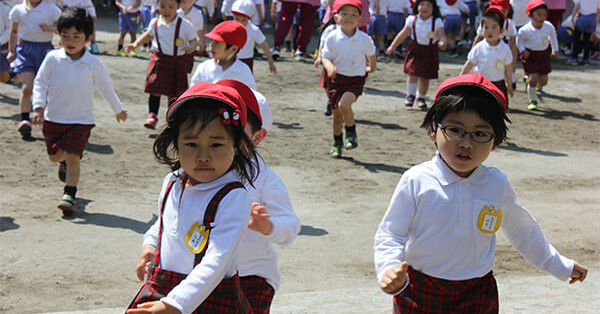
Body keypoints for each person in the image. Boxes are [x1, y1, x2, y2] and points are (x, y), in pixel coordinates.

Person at [374, 73, 588, 313]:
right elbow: (390, 234)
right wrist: (389, 269)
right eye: (455, 130)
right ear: (433, 130)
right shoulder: (416, 180)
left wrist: (561, 266)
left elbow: (524, 232)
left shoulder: (496, 184)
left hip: (476, 291)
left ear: (494, 142)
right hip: (419, 290)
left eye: (480, 134)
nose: (466, 143)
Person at [127, 81, 259, 314]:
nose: (203, 156)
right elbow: (164, 222)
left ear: (236, 145)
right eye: (191, 143)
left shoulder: (233, 197)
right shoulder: (172, 183)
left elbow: (217, 260)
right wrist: (150, 244)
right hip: (162, 287)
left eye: (216, 144)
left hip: (211, 296)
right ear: (176, 146)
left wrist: (175, 304)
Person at [31, 7, 128, 215]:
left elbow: (106, 88)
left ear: (88, 37)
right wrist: (38, 107)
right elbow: (40, 82)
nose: (70, 41)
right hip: (53, 118)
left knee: (74, 156)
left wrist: (118, 110)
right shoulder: (52, 58)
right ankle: (63, 165)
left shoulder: (93, 63)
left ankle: (69, 194)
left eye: (76, 36)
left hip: (81, 120)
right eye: (65, 36)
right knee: (54, 156)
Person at [218, 79, 300, 314]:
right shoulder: (196, 170)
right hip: (201, 274)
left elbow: (290, 226)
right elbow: (170, 213)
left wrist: (269, 226)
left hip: (251, 276)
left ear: (258, 136)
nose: (224, 136)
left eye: (235, 129)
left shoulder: (264, 179)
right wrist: (152, 244)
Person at [125, 0, 197, 129]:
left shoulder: (185, 25)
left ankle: (172, 119)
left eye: (170, 7)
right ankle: (152, 115)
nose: (166, 10)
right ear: (157, 6)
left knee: (174, 92)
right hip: (159, 59)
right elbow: (148, 35)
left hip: (177, 61)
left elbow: (193, 41)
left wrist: (190, 48)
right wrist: (135, 44)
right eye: (163, 6)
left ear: (178, 6)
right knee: (154, 88)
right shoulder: (155, 23)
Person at [321, 0, 376, 158]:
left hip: (355, 80)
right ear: (336, 17)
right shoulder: (331, 37)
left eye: (353, 14)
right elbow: (325, 57)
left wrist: (371, 68)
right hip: (336, 80)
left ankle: (351, 132)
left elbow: (372, 55)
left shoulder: (364, 38)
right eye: (344, 14)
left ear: (360, 18)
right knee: (337, 115)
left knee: (344, 104)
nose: (348, 17)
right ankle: (337, 142)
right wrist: (329, 66)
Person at [7, 0, 61, 139]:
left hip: (45, 50)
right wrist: (11, 51)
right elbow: (13, 31)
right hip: (25, 51)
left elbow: (64, 29)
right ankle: (25, 120)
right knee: (27, 87)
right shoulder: (18, 9)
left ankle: (49, 122)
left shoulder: (52, 10)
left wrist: (49, 28)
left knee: (47, 88)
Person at [385, 0, 447, 110]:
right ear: (417, 6)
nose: (425, 8)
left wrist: (442, 42)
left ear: (433, 8)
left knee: (425, 77)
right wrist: (392, 46)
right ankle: (410, 95)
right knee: (412, 73)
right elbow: (403, 34)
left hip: (430, 50)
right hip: (415, 49)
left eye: (428, 5)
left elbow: (442, 35)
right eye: (422, 5)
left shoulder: (437, 21)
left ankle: (421, 98)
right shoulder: (411, 20)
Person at [461, 6, 514, 104]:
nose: (490, 31)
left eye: (494, 27)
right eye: (486, 27)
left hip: (498, 83)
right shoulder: (479, 47)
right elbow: (469, 64)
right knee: (479, 108)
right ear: (481, 30)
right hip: (480, 83)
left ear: (501, 31)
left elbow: (508, 68)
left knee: (498, 108)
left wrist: (509, 84)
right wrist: (460, 79)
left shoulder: (505, 48)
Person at [516, 0, 558, 110]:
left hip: (544, 56)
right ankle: (533, 100)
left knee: (543, 81)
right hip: (530, 56)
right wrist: (523, 50)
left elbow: (553, 37)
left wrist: (555, 49)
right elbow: (519, 41)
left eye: (544, 14)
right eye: (539, 14)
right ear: (530, 15)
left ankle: (533, 85)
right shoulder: (524, 30)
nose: (542, 17)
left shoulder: (548, 26)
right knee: (533, 79)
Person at [190, 20, 257, 89]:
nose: (212, 45)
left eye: (217, 42)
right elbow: (192, 92)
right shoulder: (204, 68)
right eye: (213, 41)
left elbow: (249, 96)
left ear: (233, 49)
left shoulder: (243, 72)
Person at [473, 0, 518, 90]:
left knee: (514, 50)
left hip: (504, 49)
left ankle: (512, 74)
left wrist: (509, 48)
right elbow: (479, 37)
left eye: (505, 11)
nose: (502, 14)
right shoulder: (486, 22)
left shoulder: (509, 23)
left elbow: (513, 37)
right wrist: (473, 50)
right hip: (488, 47)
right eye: (500, 11)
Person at [231, 0, 277, 74]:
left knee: (246, 84)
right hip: (230, 61)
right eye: (237, 19)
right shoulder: (229, 27)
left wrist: (271, 63)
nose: (240, 23)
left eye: (243, 20)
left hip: (246, 62)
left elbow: (264, 45)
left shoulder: (253, 30)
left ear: (251, 18)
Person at [567, 0, 600, 66]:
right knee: (587, 39)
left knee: (577, 38)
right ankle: (586, 59)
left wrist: (573, 17)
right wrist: (596, 21)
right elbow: (598, 10)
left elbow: (577, 6)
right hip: (592, 18)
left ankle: (574, 58)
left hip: (582, 17)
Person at [0, 0, 11, 84]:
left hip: (2, 45)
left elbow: (9, 28)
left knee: (4, 77)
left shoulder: (5, 9)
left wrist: (1, 41)